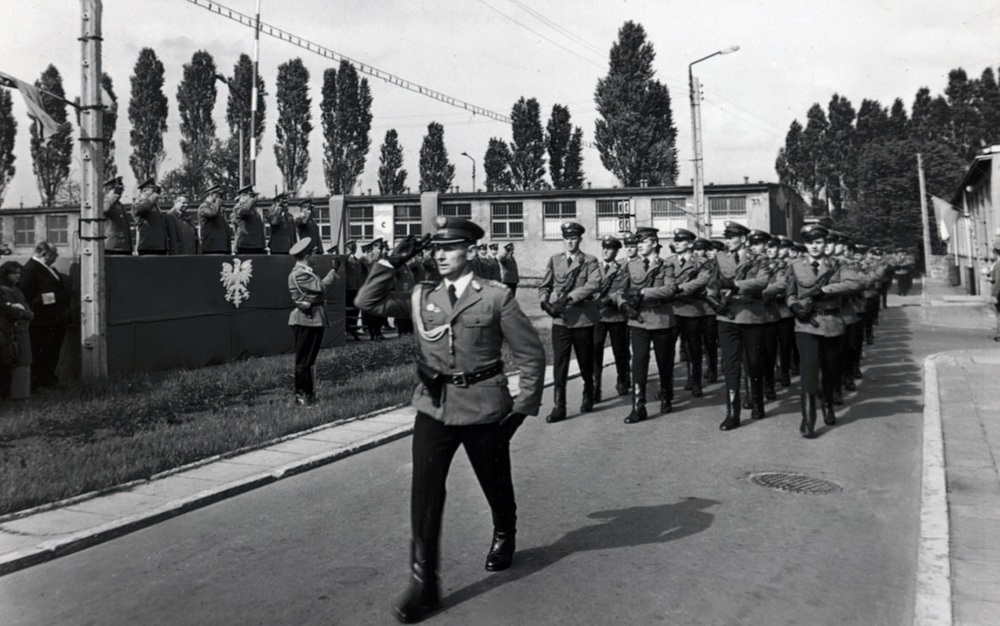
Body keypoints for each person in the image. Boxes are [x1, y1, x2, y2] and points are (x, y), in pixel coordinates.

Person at [354, 216, 545, 624]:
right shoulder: (423, 295)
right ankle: (424, 585)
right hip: (434, 406)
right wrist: (388, 263)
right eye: (436, 249)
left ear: (471, 252)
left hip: (483, 407)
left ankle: (504, 531)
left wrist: (523, 408)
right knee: (424, 494)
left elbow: (530, 355)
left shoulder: (495, 297)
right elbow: (367, 304)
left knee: (494, 481)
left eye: (450, 248)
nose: (440, 255)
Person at [786, 224, 859, 437]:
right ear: (805, 244)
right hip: (806, 325)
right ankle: (808, 419)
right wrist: (795, 307)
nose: (814, 246)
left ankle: (827, 402)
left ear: (825, 243)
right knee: (808, 372)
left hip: (832, 323)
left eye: (818, 242)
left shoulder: (837, 264)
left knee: (831, 369)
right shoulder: (795, 265)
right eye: (810, 242)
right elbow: (790, 292)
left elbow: (853, 283)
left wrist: (824, 290)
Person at [707, 221, 772, 431]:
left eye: (730, 237)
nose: (727, 241)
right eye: (725, 237)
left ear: (743, 239)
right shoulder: (720, 258)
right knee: (730, 365)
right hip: (727, 317)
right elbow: (713, 283)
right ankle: (732, 413)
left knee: (754, 363)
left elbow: (762, 282)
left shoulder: (759, 258)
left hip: (752, 316)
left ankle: (757, 400)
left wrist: (735, 284)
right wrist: (713, 301)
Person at [614, 227, 679, 422]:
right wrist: (623, 304)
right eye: (637, 242)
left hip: (661, 320)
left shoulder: (665, 265)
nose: (639, 245)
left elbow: (670, 289)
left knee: (664, 362)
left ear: (653, 242)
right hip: (639, 321)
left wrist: (643, 293)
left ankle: (666, 396)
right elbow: (619, 290)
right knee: (639, 363)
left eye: (643, 242)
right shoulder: (630, 265)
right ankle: (638, 406)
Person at [538, 221, 600, 422]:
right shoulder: (555, 260)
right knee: (560, 365)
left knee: (585, 363)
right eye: (566, 238)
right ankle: (559, 406)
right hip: (560, 322)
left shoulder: (589, 261)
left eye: (573, 238)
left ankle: (588, 392)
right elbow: (544, 286)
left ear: (580, 239)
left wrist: (567, 299)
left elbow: (593, 284)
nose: (569, 242)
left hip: (582, 320)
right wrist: (544, 303)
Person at [287, 237, 340, 406]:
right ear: (307, 255)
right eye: (313, 253)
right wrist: (333, 271)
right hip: (305, 319)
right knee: (303, 361)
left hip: (313, 318)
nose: (315, 257)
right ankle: (301, 394)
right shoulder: (299, 273)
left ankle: (309, 393)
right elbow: (320, 287)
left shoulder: (307, 271)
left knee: (309, 360)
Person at [20, 242, 71, 392]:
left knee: (52, 350)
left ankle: (49, 380)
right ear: (44, 254)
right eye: (54, 253)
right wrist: (53, 297)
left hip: (54, 319)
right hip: (42, 321)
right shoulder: (30, 269)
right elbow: (27, 296)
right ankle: (39, 383)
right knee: (42, 352)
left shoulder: (47, 268)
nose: (57, 256)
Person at [670, 229, 713, 399]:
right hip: (673, 309)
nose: (677, 243)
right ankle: (669, 385)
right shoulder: (668, 261)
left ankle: (695, 382)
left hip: (693, 310)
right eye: (676, 241)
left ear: (689, 243)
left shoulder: (701, 262)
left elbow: (703, 279)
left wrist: (680, 288)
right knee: (668, 350)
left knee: (694, 348)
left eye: (681, 241)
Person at [592, 235, 630, 403]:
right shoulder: (594, 268)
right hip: (598, 317)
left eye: (610, 248)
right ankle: (595, 387)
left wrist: (609, 299)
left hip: (616, 317)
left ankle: (622, 379)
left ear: (616, 251)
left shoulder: (622, 269)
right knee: (595, 351)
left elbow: (623, 289)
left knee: (620, 352)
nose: (605, 251)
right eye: (604, 248)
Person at [0, 262, 33, 399]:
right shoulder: (3, 290)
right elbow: (11, 311)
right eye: (15, 273)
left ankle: (20, 393)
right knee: (16, 361)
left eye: (20, 273)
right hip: (13, 332)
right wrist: (26, 314)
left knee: (23, 361)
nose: (18, 276)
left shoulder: (15, 289)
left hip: (21, 330)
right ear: (6, 274)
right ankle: (17, 394)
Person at [133, 179, 171, 255]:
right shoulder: (138, 203)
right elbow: (142, 209)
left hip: (158, 247)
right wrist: (155, 195)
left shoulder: (154, 205)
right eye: (152, 190)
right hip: (148, 246)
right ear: (144, 191)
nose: (154, 193)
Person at [231, 185, 266, 255]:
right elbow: (244, 212)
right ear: (244, 196)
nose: (253, 199)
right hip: (245, 245)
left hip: (256, 245)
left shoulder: (253, 210)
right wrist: (250, 201)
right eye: (251, 196)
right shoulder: (238, 207)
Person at [103, 176, 133, 255]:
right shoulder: (104, 202)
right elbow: (105, 209)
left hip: (124, 246)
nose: (120, 192)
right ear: (108, 191)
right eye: (117, 189)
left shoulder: (119, 205)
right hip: (112, 246)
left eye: (121, 190)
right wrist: (115, 195)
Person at [199, 184, 231, 254]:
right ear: (211, 194)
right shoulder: (204, 207)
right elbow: (212, 214)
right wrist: (218, 201)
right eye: (217, 195)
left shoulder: (216, 208)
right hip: (211, 247)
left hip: (221, 247)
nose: (220, 198)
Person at [342, 240, 365, 340]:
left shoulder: (357, 260)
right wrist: (347, 254)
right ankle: (347, 329)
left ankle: (354, 328)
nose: (354, 249)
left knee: (355, 309)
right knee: (348, 309)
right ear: (347, 247)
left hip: (356, 287)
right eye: (352, 247)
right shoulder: (345, 259)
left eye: (355, 247)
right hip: (348, 288)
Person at [990, 239, 1000, 341]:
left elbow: (998, 280)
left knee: (999, 314)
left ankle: (999, 334)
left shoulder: (998, 265)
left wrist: (995, 294)